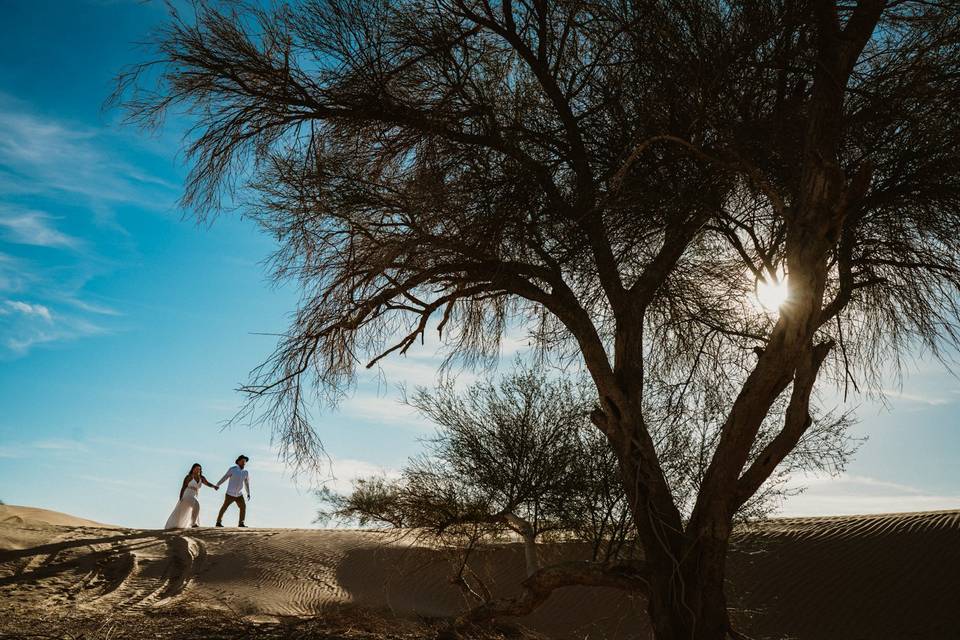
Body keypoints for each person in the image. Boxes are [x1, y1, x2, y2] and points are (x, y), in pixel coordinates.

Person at [164, 463, 218, 529]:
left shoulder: (201, 478)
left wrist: (214, 486)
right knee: (197, 505)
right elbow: (183, 487)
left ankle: (191, 523)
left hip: (194, 495)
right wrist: (180, 497)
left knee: (189, 509)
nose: (197, 470)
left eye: (199, 469)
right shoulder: (189, 477)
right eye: (196, 469)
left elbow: (207, 483)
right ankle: (193, 523)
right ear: (193, 469)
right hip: (186, 495)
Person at [215, 455, 251, 527]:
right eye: (242, 461)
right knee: (224, 507)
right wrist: (218, 484)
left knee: (243, 507)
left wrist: (248, 493)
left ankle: (241, 523)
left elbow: (246, 483)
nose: (244, 462)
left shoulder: (245, 472)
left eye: (245, 461)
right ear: (238, 461)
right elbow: (225, 477)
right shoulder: (232, 469)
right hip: (230, 494)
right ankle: (218, 522)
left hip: (239, 495)